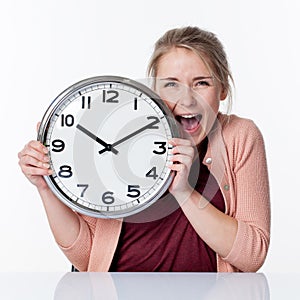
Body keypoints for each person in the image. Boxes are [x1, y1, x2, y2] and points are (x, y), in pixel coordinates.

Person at [18, 26, 270, 272]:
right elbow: (86, 260)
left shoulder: (241, 136)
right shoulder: (119, 137)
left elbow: (253, 257)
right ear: (154, 91)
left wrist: (183, 191)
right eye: (171, 84)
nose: (187, 99)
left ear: (223, 89)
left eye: (202, 83)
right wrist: (46, 187)